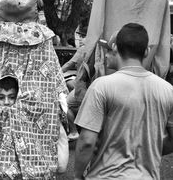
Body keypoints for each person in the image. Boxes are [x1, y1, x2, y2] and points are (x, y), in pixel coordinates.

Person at [74, 23, 173, 180]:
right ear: (146, 52)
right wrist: (146, 148)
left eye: (107, 50)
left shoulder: (101, 86)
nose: (105, 55)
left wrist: (77, 176)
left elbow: (87, 141)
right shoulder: (168, 90)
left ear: (115, 48)